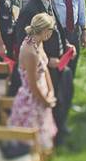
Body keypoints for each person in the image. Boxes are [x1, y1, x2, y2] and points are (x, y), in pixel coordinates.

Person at [9, 13, 59, 150]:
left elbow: (45, 68)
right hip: (31, 99)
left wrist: (51, 90)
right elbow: (32, 84)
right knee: (33, 143)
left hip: (42, 92)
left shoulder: (38, 42)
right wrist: (45, 101)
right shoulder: (30, 51)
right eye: (51, 30)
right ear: (45, 31)